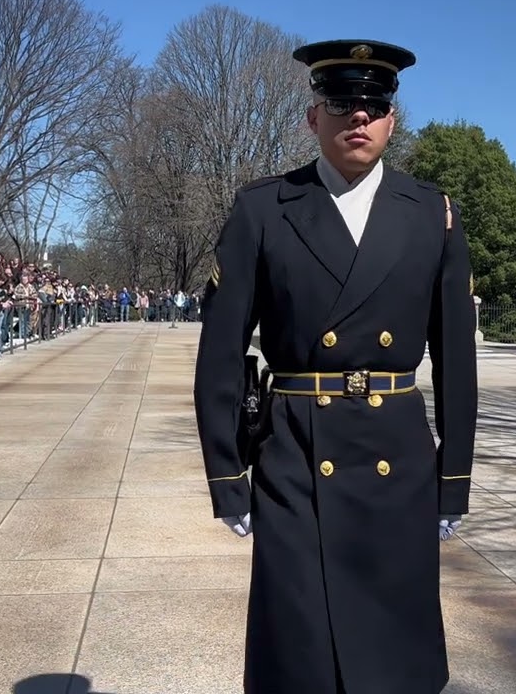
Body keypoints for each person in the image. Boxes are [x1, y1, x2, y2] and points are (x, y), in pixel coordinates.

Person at [193, 39, 478, 694]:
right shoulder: (263, 210)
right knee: (301, 654)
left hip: (398, 463)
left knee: (392, 658)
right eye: (342, 103)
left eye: (373, 105)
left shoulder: (431, 215)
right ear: (312, 118)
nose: (358, 117)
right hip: (296, 458)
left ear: (391, 121)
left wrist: (454, 475)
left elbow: (456, 361)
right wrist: (227, 474)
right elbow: (220, 353)